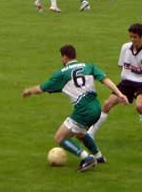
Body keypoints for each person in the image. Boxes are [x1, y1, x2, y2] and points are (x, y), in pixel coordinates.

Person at [22, 44, 128, 173]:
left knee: (59, 137)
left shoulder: (61, 74)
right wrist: (120, 94)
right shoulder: (89, 66)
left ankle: (87, 158)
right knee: (80, 133)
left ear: (65, 57)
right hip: (96, 108)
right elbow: (105, 80)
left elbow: (41, 89)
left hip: (83, 111)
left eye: (61, 57)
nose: (61, 60)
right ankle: (99, 157)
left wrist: (29, 91)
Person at [88, 23, 142, 144]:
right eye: (130, 37)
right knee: (107, 104)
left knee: (139, 106)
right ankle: (90, 134)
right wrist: (122, 95)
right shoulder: (125, 48)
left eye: (135, 37)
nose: (132, 39)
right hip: (127, 82)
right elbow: (123, 67)